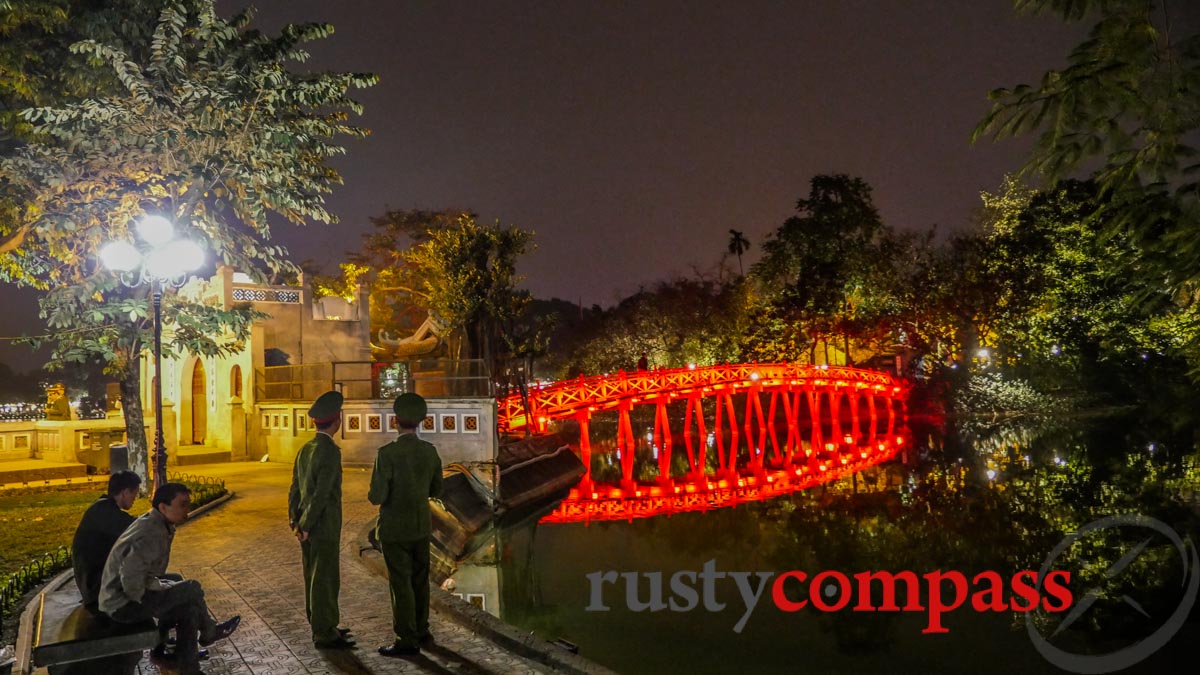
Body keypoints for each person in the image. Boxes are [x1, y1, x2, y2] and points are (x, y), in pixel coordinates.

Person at [99, 483, 240, 675]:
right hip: (123, 603)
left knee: (186, 604)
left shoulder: (157, 522)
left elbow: (142, 572)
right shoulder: (152, 531)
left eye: (188, 504)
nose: (187, 509)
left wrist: (161, 588)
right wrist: (152, 598)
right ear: (163, 507)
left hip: (122, 595)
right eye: (182, 504)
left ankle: (185, 665)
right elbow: (130, 576)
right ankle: (209, 632)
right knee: (192, 588)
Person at [369, 392, 444, 657]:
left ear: (395, 421)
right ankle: (422, 629)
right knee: (420, 581)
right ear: (420, 422)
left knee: (400, 584)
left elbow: (376, 496)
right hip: (421, 527)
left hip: (394, 529)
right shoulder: (429, 452)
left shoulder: (386, 454)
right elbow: (437, 489)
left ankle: (406, 638)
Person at [288, 390, 354, 649]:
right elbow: (322, 494)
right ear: (337, 420)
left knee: (311, 575)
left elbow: (295, 489)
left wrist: (296, 522)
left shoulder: (306, 449)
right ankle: (325, 633)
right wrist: (306, 524)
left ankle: (323, 623)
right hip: (322, 524)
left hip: (305, 524)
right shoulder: (329, 452)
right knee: (325, 577)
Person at [72, 470, 141, 612]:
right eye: (135, 493)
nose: (136, 497)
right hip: (97, 588)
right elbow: (138, 528)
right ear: (125, 492)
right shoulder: (106, 513)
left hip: (92, 583)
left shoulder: (102, 508)